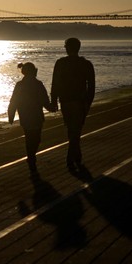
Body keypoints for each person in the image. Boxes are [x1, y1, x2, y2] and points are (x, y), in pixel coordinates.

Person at [51, 37, 96, 170]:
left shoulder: (60, 63)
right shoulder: (87, 64)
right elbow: (92, 87)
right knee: (75, 131)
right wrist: (88, 103)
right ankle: (74, 157)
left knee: (72, 130)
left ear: (67, 48)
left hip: (66, 101)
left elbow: (55, 83)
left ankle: (73, 158)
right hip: (80, 102)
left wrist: (54, 101)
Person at [8, 62, 52, 174]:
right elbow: (44, 100)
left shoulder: (22, 85)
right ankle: (31, 156)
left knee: (30, 137)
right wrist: (51, 108)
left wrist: (11, 115)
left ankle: (31, 156)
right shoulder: (36, 84)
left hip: (25, 116)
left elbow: (13, 101)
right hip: (35, 115)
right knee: (36, 138)